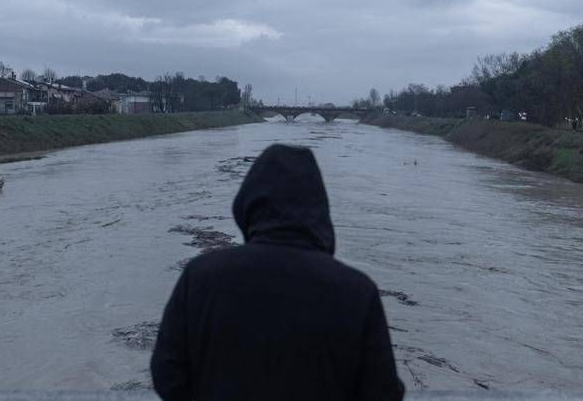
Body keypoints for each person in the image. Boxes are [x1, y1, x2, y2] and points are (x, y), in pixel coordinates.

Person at [151, 144, 404, 401]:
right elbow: (383, 393)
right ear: (319, 209)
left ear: (248, 204)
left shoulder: (199, 277)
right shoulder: (358, 293)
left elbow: (167, 375)